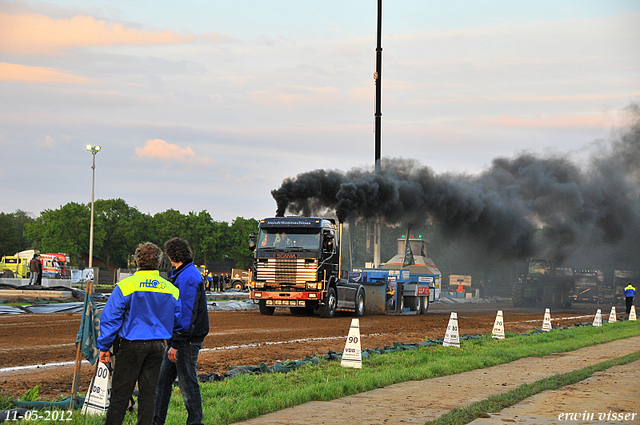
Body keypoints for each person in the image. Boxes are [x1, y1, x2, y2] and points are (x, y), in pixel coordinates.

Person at [97, 242, 180, 425]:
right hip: (158, 346)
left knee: (120, 395)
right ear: (159, 263)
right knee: (149, 395)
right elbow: (179, 320)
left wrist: (104, 346)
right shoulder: (171, 289)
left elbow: (111, 318)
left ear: (136, 262)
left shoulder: (126, 286)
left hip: (130, 346)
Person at [154, 238, 210, 425]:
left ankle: (195, 422)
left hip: (185, 340)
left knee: (187, 384)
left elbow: (185, 315)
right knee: (163, 382)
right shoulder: (185, 274)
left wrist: (176, 344)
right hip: (180, 338)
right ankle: (156, 421)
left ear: (171, 256)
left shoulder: (187, 277)